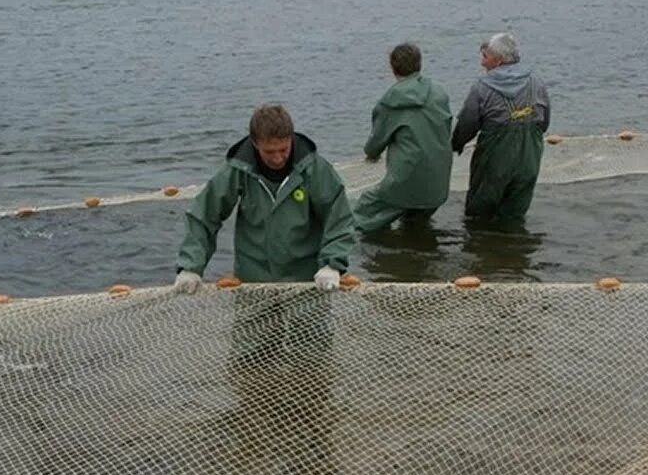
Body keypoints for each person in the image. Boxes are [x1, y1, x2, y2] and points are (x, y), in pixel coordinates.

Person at [172, 104, 356, 293]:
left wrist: (333, 263)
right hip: (253, 278)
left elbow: (339, 217)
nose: (278, 158)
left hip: (307, 277)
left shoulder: (315, 169)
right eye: (269, 152)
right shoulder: (237, 169)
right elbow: (204, 215)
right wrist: (191, 267)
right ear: (255, 143)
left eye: (283, 149)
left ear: (291, 138)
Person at [353, 42, 453, 235]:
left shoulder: (389, 102)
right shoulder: (439, 93)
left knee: (363, 211)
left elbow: (376, 142)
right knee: (416, 226)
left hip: (403, 183)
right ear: (419, 64)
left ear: (393, 68)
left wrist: (371, 155)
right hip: (439, 185)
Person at [451, 33, 550, 220]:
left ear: (498, 61)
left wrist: (456, 144)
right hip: (529, 157)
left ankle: (485, 247)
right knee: (515, 213)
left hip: (495, 160)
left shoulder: (482, 87)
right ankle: (513, 247)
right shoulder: (535, 82)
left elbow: (467, 124)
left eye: (485, 57)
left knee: (479, 214)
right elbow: (544, 122)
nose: (482, 63)